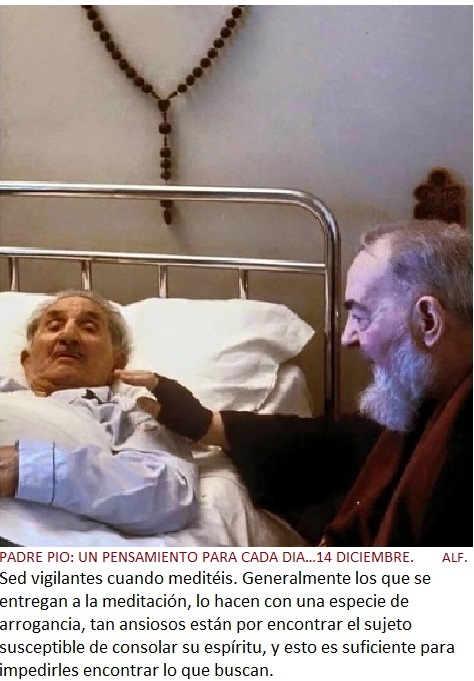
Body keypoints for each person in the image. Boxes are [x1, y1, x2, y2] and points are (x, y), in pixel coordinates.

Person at [116, 220, 473, 546]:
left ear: (428, 320)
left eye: (361, 315)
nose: (348, 337)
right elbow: (345, 441)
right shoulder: (434, 394)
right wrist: (205, 423)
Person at [0, 291, 198, 537]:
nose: (68, 336)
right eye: (54, 326)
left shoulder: (130, 415)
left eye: (89, 328)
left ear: (118, 363)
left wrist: (26, 467)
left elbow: (169, 494)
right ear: (26, 361)